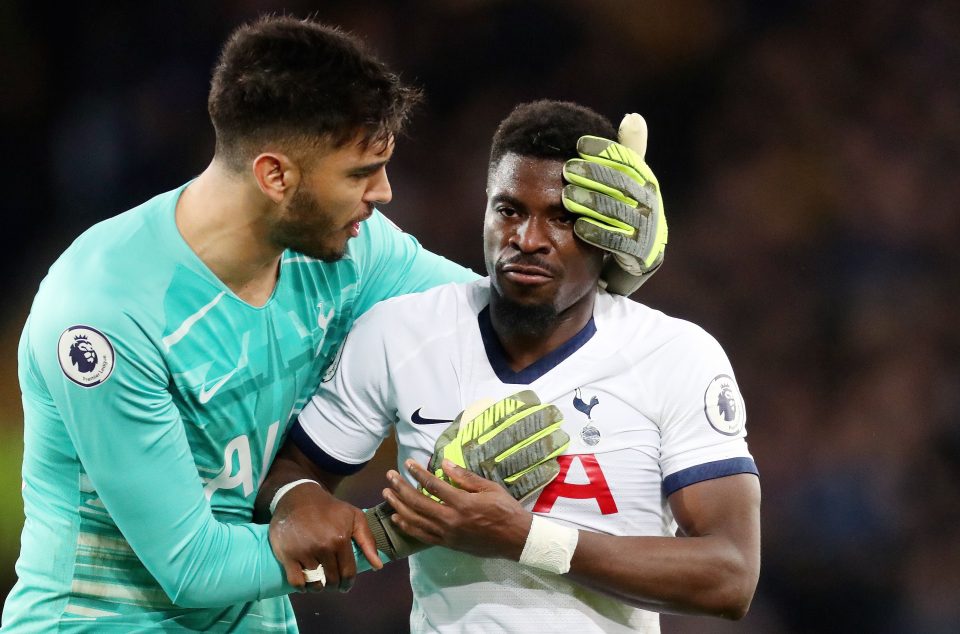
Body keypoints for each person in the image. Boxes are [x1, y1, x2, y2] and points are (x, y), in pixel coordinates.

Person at [1, 15, 485, 632]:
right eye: (361, 174)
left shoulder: (350, 251)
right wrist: (398, 530)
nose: (385, 193)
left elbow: (490, 313)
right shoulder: (105, 315)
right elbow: (192, 567)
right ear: (275, 175)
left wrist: (604, 270)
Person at [264, 100, 760, 632]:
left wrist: (525, 538)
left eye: (563, 219)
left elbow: (730, 576)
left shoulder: (674, 355)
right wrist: (298, 499)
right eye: (509, 210)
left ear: (609, 230)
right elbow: (295, 471)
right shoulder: (402, 332)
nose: (527, 240)